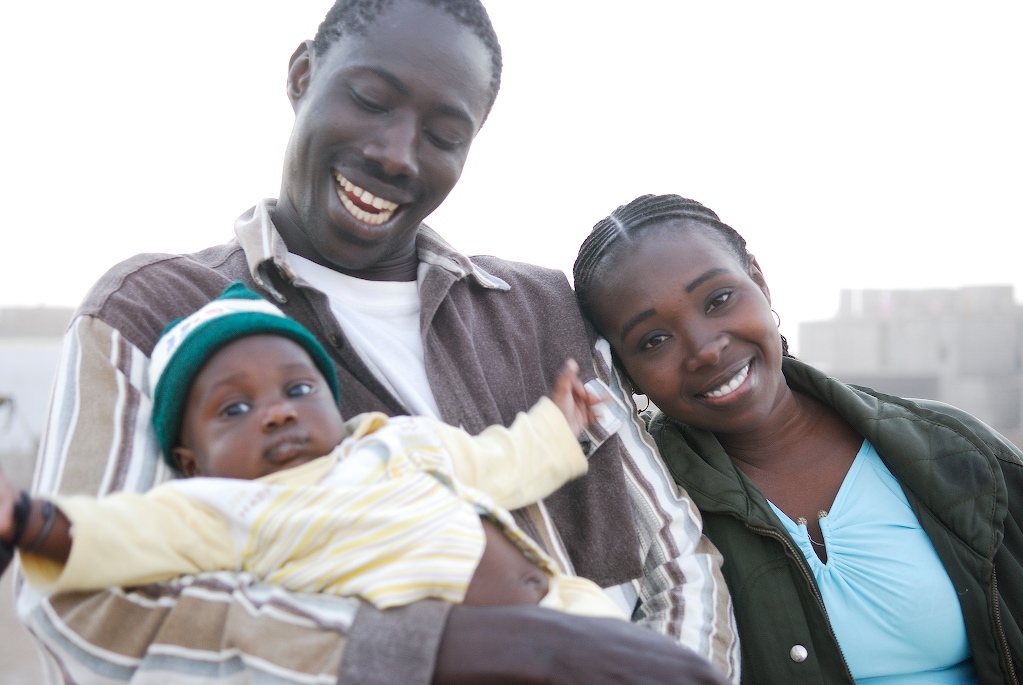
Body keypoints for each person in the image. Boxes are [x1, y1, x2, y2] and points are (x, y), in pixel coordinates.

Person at [18, 2, 739, 684]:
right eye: (369, 99)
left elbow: (678, 563)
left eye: (444, 134)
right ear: (302, 75)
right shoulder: (152, 309)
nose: (397, 154)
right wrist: (436, 650)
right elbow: (88, 623)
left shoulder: (542, 309)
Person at [572, 193, 1023, 684]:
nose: (705, 349)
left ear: (760, 282)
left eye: (719, 300)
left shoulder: (954, 452)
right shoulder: (639, 512)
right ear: (622, 370)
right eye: (653, 340)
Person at [2, 283, 624, 619]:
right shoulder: (232, 509)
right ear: (191, 461)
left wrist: (557, 423)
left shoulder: (400, 441)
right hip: (463, 656)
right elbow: (131, 530)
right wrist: (29, 519)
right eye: (234, 409)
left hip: (571, 613)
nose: (277, 411)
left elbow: (502, 463)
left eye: (299, 389)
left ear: (333, 403)